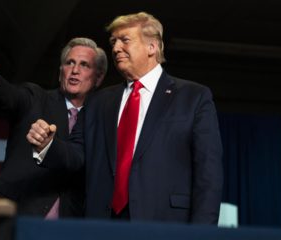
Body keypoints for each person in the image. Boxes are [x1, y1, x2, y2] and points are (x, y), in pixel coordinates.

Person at [27, 12, 223, 223]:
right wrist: (48, 145)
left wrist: (203, 232)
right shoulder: (99, 102)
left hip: (164, 224)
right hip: (103, 223)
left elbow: (208, 174)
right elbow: (77, 154)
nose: (116, 48)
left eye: (125, 40)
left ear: (152, 47)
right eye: (113, 42)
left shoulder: (193, 97)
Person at [0, 37, 108, 218]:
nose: (75, 70)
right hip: (17, 218)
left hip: (70, 226)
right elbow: (9, 96)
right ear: (60, 72)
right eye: (69, 63)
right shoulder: (35, 98)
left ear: (98, 78)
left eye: (84, 65)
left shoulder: (102, 120)